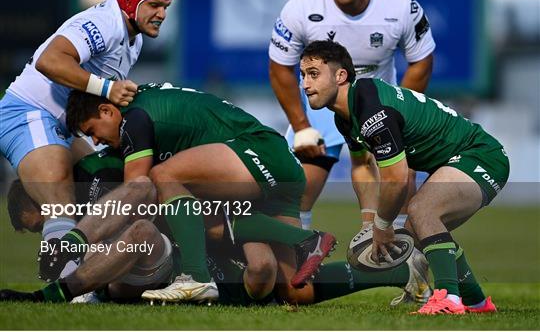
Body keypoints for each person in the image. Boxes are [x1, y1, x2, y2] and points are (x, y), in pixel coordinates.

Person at [3, 162, 430, 307]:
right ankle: (397, 271)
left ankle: (396, 270)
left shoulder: (105, 174)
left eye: (40, 227)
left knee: (283, 285)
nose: (48, 236)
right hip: (184, 257)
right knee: (282, 288)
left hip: (203, 245)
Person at [59, 83, 336, 303]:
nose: (95, 141)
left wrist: (94, 258)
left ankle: (195, 277)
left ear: (107, 111)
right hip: (278, 167)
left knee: (161, 178)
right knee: (293, 291)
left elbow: (137, 191)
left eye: (92, 131)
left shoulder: (134, 118)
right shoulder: (145, 106)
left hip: (257, 151)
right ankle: (372, 267)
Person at [298, 40, 509, 314]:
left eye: (313, 74)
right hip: (461, 159)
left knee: (423, 210)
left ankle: (448, 299)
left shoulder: (372, 111)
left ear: (341, 76)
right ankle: (476, 301)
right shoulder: (346, 116)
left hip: (481, 156)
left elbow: (397, 179)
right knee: (418, 231)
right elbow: (363, 165)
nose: (305, 84)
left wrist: (382, 225)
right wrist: (369, 222)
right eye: (302, 75)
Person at [0, 0, 175, 277]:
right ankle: (65, 289)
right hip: (28, 111)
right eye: (154, 5)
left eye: (166, 6)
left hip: (64, 124)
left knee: (100, 192)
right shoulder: (104, 23)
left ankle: (95, 279)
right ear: (132, 3)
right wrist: (106, 88)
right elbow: (49, 60)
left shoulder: (133, 40)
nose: (162, 14)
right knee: (62, 204)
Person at [268, 0, 435, 232]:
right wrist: (302, 126)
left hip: (377, 100)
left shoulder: (400, 7)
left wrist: (399, 112)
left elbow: (421, 60)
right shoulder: (302, 7)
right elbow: (280, 67)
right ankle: (300, 264)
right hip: (322, 106)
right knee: (296, 187)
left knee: (402, 180)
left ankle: (401, 256)